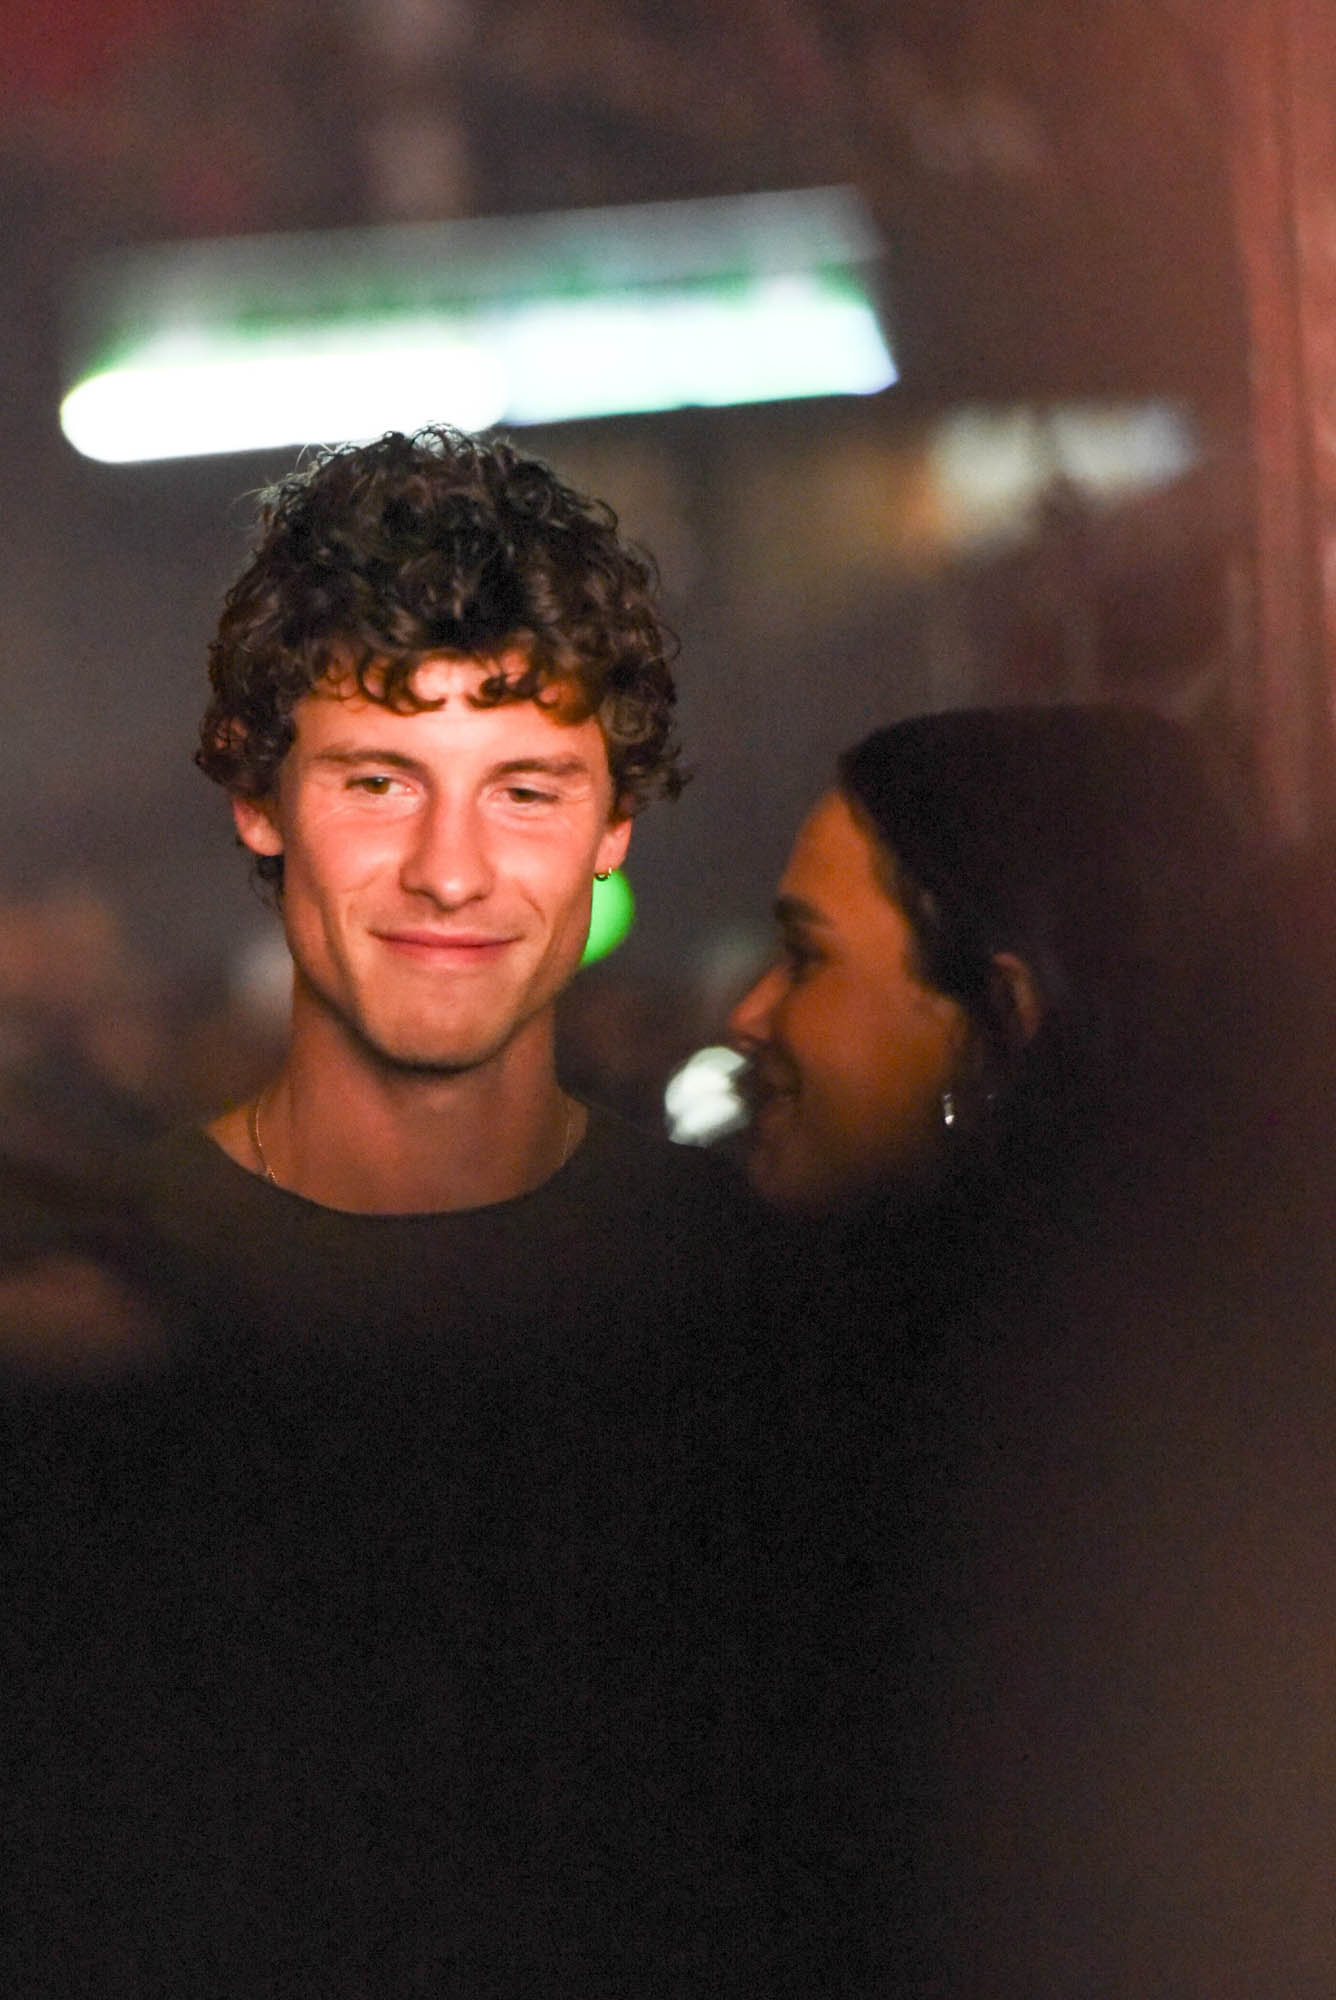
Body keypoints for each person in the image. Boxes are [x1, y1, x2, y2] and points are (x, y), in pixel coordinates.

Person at [25, 427, 778, 1998]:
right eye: (380, 780)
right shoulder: (80, 1318)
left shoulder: (752, 1298)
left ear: (613, 827)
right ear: (259, 798)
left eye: (524, 786)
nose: (451, 869)